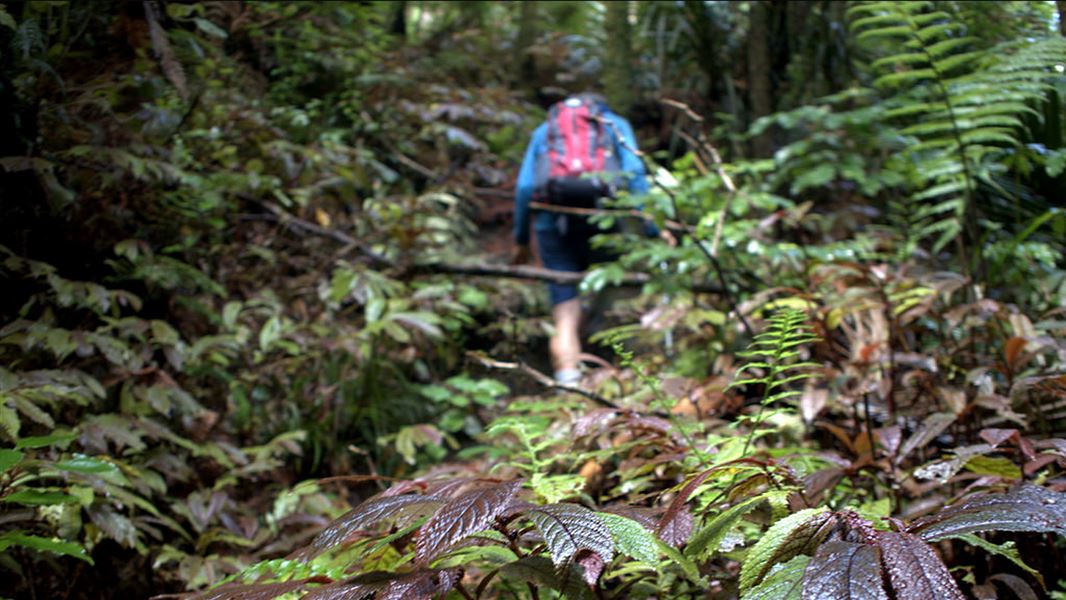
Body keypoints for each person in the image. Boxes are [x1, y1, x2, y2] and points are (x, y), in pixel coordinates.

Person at [511, 92, 667, 385]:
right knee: (614, 290)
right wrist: (651, 227)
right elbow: (634, 175)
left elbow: (524, 188)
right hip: (605, 222)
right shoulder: (614, 125)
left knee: (565, 318)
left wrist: (521, 239)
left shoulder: (544, 131)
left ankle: (569, 391)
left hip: (553, 226)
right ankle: (619, 372)